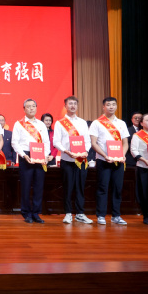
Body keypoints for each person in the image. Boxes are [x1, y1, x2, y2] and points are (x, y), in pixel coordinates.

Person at [89, 97, 130, 225]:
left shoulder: (121, 123)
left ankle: (116, 215)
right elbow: (93, 143)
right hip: (103, 160)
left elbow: (125, 143)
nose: (111, 107)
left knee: (117, 188)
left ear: (116, 106)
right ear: (103, 107)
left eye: (113, 104)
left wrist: (122, 155)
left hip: (118, 161)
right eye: (108, 105)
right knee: (102, 188)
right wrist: (105, 155)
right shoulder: (97, 123)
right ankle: (101, 215)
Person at [53, 96, 93, 224]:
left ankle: (80, 213)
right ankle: (68, 213)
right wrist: (66, 151)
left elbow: (87, 141)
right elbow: (56, 142)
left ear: (77, 106)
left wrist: (85, 151)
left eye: (75, 103)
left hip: (81, 160)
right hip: (67, 160)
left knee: (80, 187)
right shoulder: (60, 123)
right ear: (65, 106)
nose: (73, 106)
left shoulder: (82, 122)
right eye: (70, 103)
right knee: (68, 187)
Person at [12, 99, 52, 224]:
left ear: (36, 108)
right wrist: (24, 155)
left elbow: (46, 142)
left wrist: (45, 155)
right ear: (24, 109)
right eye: (28, 106)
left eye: (33, 106)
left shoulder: (41, 124)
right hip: (26, 156)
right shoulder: (19, 124)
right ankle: (26, 213)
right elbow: (14, 142)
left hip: (40, 155)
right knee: (25, 186)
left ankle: (36, 213)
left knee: (38, 186)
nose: (31, 108)